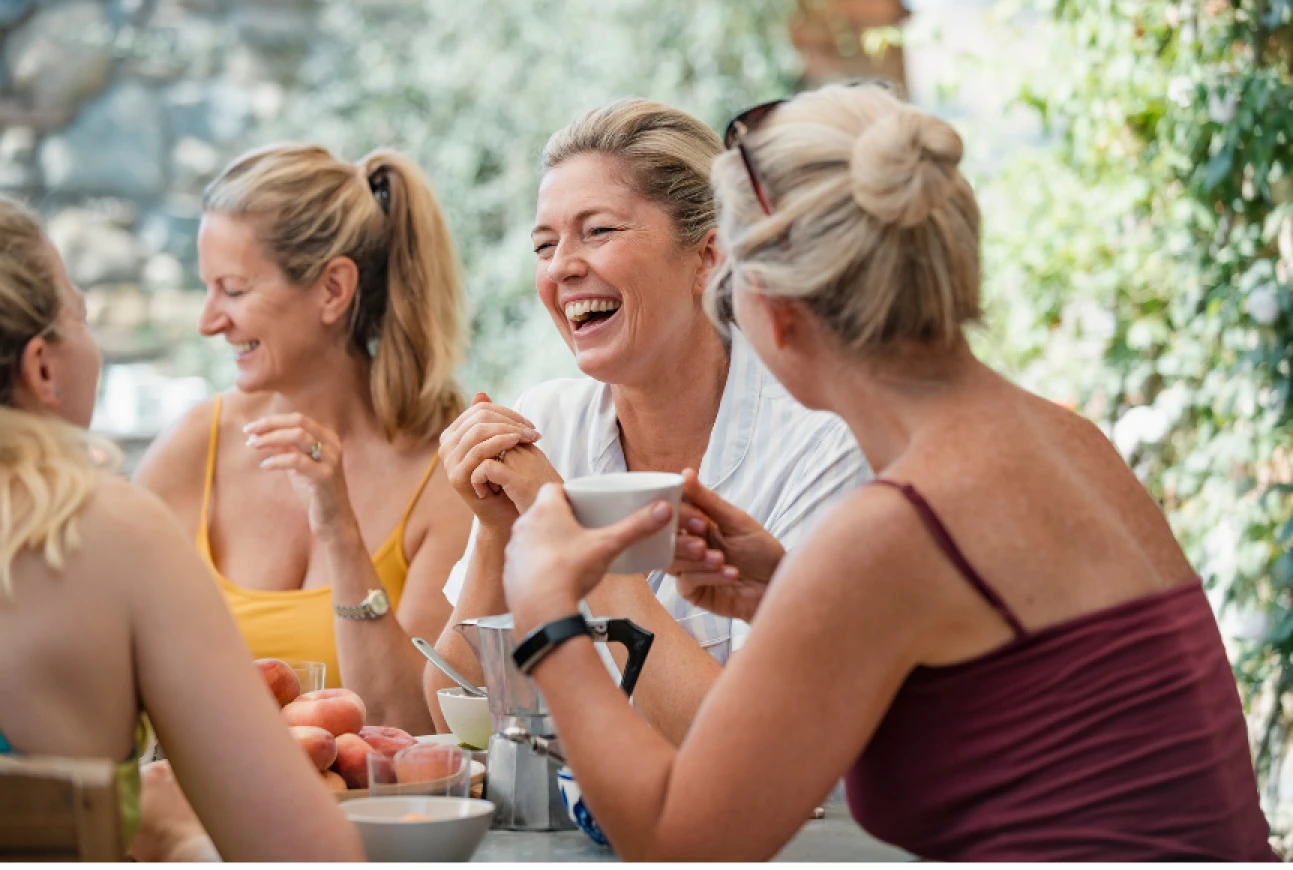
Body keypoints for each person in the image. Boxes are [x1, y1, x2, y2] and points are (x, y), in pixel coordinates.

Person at [494, 83, 1279, 861]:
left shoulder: (894, 527)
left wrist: (549, 613)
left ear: (773, 307)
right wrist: (787, 588)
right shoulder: (1069, 441)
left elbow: (681, 839)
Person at [425, 99, 869, 744]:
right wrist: (499, 533)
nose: (561, 267)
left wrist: (569, 537)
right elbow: (458, 715)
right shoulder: (544, 421)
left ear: (707, 256)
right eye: (544, 245)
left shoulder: (821, 443)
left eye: (599, 231)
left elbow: (749, 746)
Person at [0, 195, 363, 861]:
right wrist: (177, 839)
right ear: (42, 368)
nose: (208, 321)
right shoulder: (107, 530)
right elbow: (312, 857)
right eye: (79, 314)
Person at [136, 144, 475, 734]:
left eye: (234, 291)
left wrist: (340, 531)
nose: (208, 321)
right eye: (207, 289)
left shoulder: (445, 470)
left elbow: (416, 726)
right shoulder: (196, 444)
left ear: (332, 290)